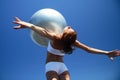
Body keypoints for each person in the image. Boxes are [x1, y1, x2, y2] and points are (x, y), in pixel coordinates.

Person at [13, 17, 120, 80]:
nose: (69, 26)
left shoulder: (56, 37)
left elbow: (37, 28)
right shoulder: (72, 42)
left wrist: (25, 24)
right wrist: (106, 53)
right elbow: (88, 49)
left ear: (66, 35)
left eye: (70, 29)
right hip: (61, 67)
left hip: (53, 66)